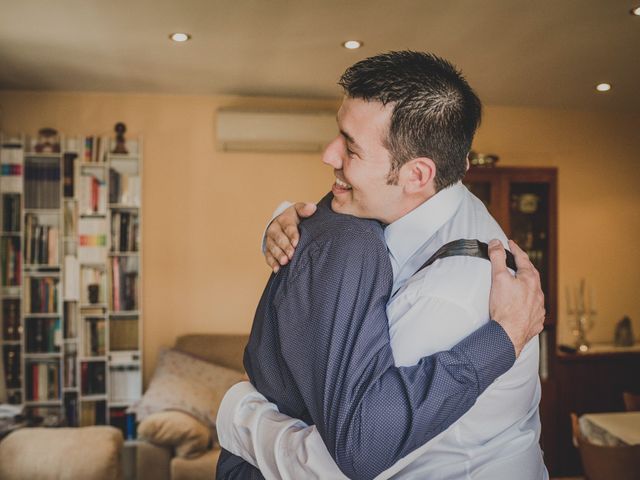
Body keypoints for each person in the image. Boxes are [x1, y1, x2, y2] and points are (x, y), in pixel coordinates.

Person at [216, 51, 547, 479]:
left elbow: (342, 461)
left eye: (350, 148)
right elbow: (342, 222)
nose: (328, 154)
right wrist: (286, 225)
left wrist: (238, 417)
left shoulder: (449, 295)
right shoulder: (425, 202)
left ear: (417, 175)